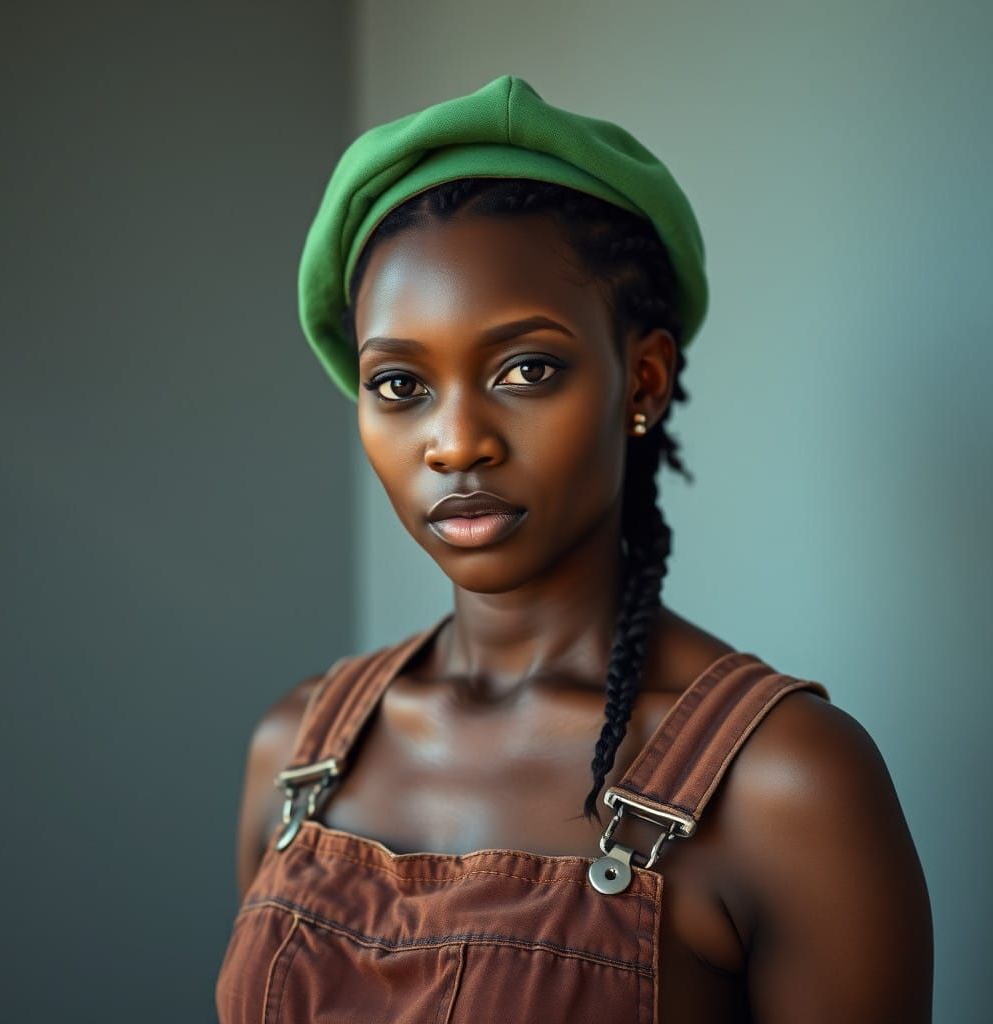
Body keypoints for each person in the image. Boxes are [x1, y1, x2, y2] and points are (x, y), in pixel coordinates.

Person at [215, 75, 933, 1023]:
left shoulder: (790, 786)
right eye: (398, 384)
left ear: (643, 380)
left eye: (527, 369)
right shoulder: (296, 751)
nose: (456, 441)